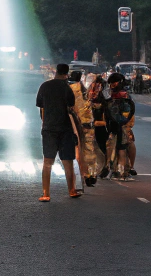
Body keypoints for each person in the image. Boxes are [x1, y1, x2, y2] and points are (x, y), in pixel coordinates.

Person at [35, 63, 82, 201]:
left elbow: (41, 107)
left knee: (47, 161)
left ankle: (45, 193)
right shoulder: (67, 88)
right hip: (65, 128)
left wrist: (45, 122)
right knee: (67, 161)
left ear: (56, 72)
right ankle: (72, 190)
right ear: (66, 74)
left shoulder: (44, 86)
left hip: (49, 128)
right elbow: (71, 106)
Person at [69, 70, 98, 187]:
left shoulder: (70, 88)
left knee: (75, 151)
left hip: (74, 125)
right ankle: (91, 174)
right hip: (88, 124)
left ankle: (78, 175)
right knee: (89, 150)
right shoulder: (85, 89)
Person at [107, 73, 137, 178]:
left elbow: (129, 112)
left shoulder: (125, 95)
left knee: (130, 142)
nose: (112, 85)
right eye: (111, 83)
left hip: (124, 123)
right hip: (111, 123)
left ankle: (131, 166)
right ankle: (109, 166)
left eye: (114, 82)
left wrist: (127, 125)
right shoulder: (108, 94)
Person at [88, 75, 112, 179]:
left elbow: (107, 122)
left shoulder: (105, 103)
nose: (93, 92)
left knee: (102, 147)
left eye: (97, 89)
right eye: (93, 88)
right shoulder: (88, 101)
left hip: (102, 129)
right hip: (91, 129)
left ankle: (106, 166)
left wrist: (95, 123)